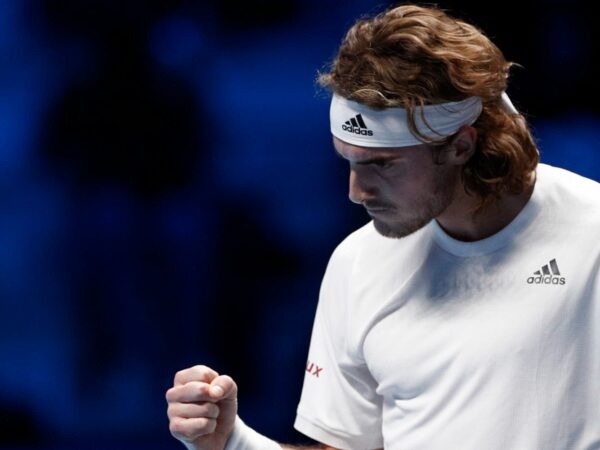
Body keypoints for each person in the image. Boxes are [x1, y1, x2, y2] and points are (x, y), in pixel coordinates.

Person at [165, 4, 600, 449]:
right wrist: (232, 441)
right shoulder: (356, 263)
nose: (356, 190)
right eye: (348, 161)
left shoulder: (593, 234)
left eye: (382, 165)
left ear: (460, 146)